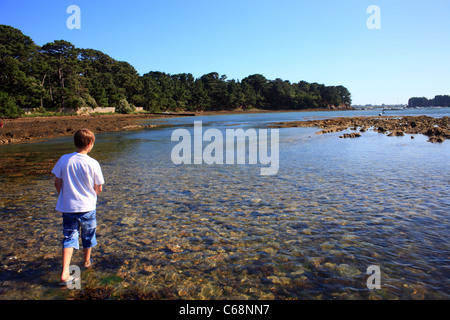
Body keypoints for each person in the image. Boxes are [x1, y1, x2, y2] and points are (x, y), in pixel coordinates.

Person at [52, 128, 105, 286]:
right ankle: (87, 262)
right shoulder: (93, 163)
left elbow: (57, 182)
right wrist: (92, 194)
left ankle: (65, 271)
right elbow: (99, 187)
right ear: (90, 144)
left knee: (69, 237)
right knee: (88, 236)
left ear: (75, 143)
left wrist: (64, 195)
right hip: (88, 207)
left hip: (68, 207)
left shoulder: (64, 159)